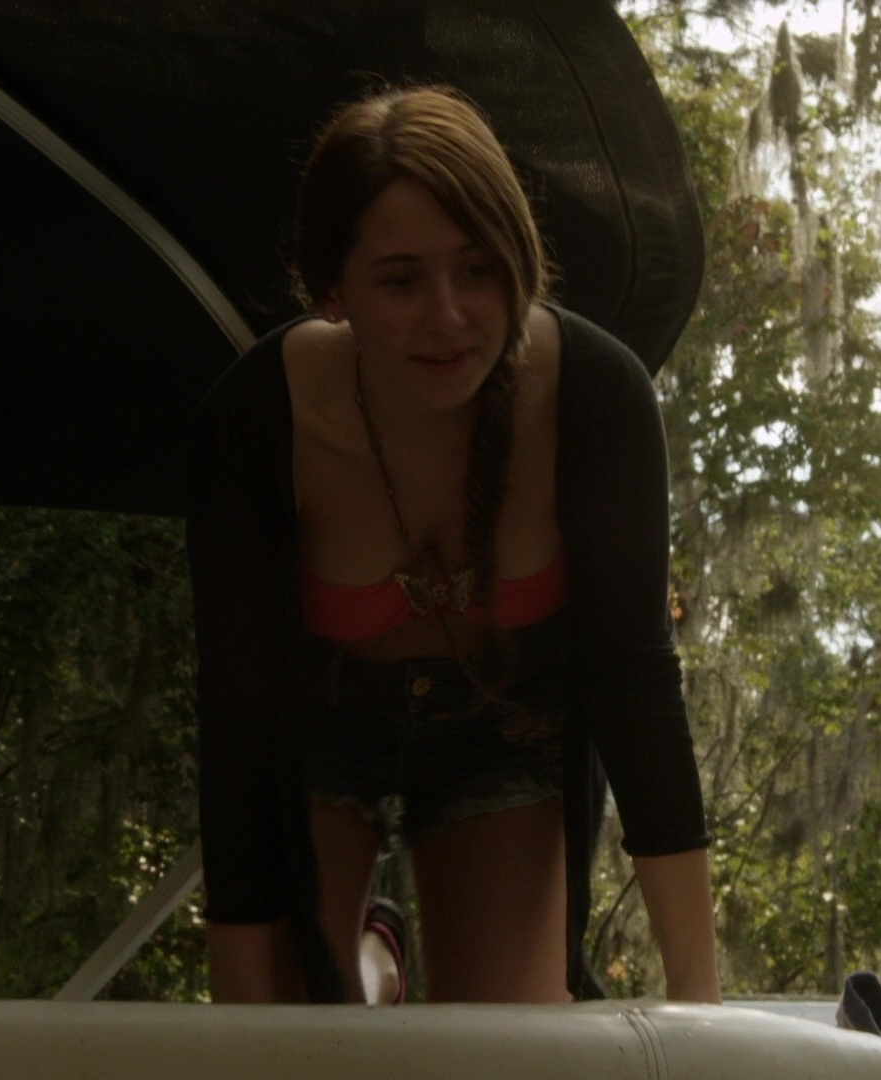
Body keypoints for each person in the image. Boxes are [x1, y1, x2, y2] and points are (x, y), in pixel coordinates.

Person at [186, 85, 719, 1005]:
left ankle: (379, 964)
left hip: (506, 734)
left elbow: (634, 685)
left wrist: (701, 1004)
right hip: (318, 735)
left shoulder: (595, 394)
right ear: (332, 289)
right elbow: (239, 720)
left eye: (478, 270)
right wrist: (244, 1020)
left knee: (503, 1047)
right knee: (302, 1032)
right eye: (401, 281)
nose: (449, 316)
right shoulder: (256, 419)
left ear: (520, 259)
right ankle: (373, 964)